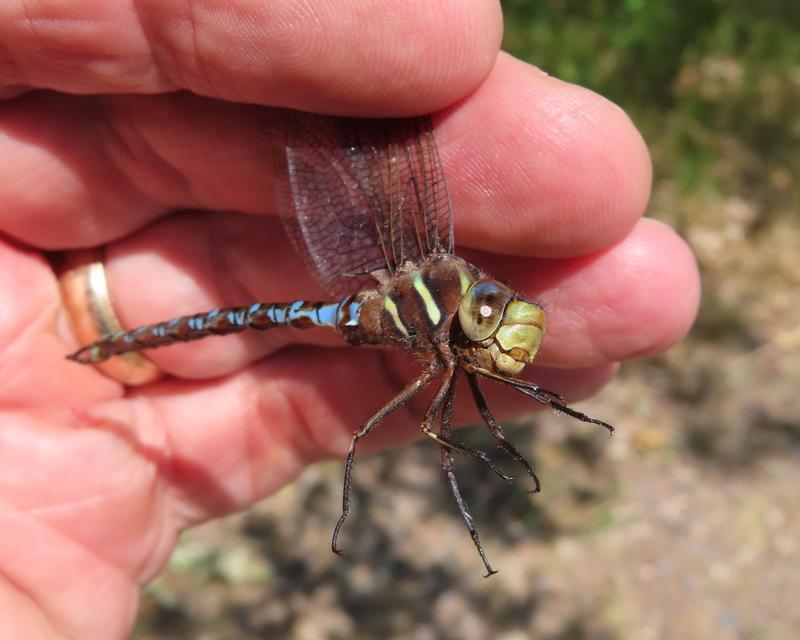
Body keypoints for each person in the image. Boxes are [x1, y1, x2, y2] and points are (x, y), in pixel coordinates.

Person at [0, 1, 699, 637]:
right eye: (495, 309)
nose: (502, 314)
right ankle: (118, 346)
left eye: (498, 310)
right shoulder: (437, 311)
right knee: (390, 428)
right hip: (289, 306)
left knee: (464, 417)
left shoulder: (451, 333)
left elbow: (482, 400)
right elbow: (435, 417)